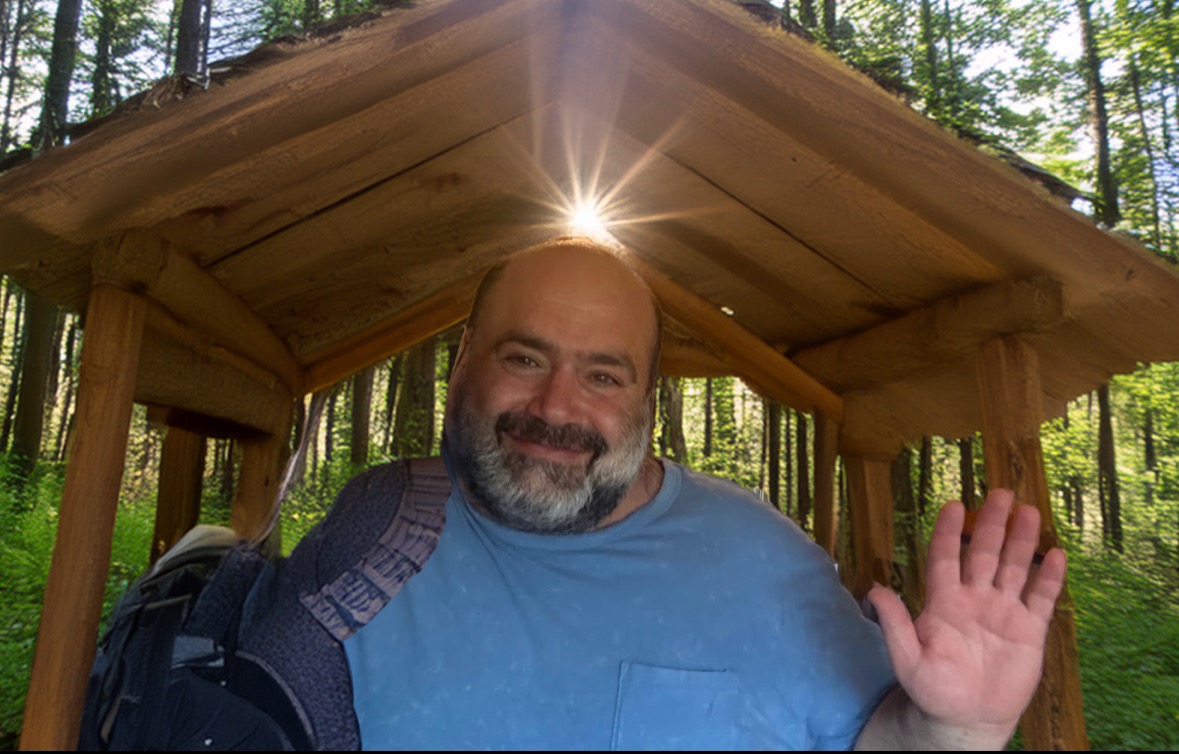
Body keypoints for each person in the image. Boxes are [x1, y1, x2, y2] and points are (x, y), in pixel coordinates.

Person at [287, 236, 1067, 750]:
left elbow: (872, 740)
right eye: (525, 359)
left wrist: (957, 729)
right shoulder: (375, 529)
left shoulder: (764, 563)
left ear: (648, 399)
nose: (556, 407)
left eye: (603, 376)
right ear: (465, 360)